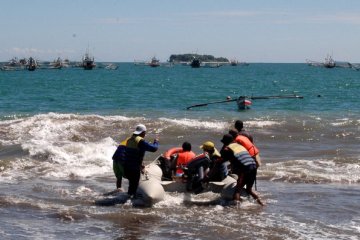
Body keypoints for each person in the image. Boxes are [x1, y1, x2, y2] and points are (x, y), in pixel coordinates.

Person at [112, 124, 159, 197]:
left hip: (125, 166)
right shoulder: (140, 141)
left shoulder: (130, 140)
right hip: (133, 168)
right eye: (145, 133)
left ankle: (122, 195)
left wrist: (140, 164)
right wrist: (156, 142)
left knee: (130, 186)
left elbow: (132, 154)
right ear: (143, 132)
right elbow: (154, 149)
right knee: (133, 188)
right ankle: (130, 203)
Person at [219, 134, 264, 206]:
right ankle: (261, 204)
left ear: (225, 142)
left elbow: (220, 161)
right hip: (253, 166)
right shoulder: (239, 146)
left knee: (238, 189)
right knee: (249, 190)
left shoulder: (227, 149)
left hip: (245, 168)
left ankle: (237, 208)